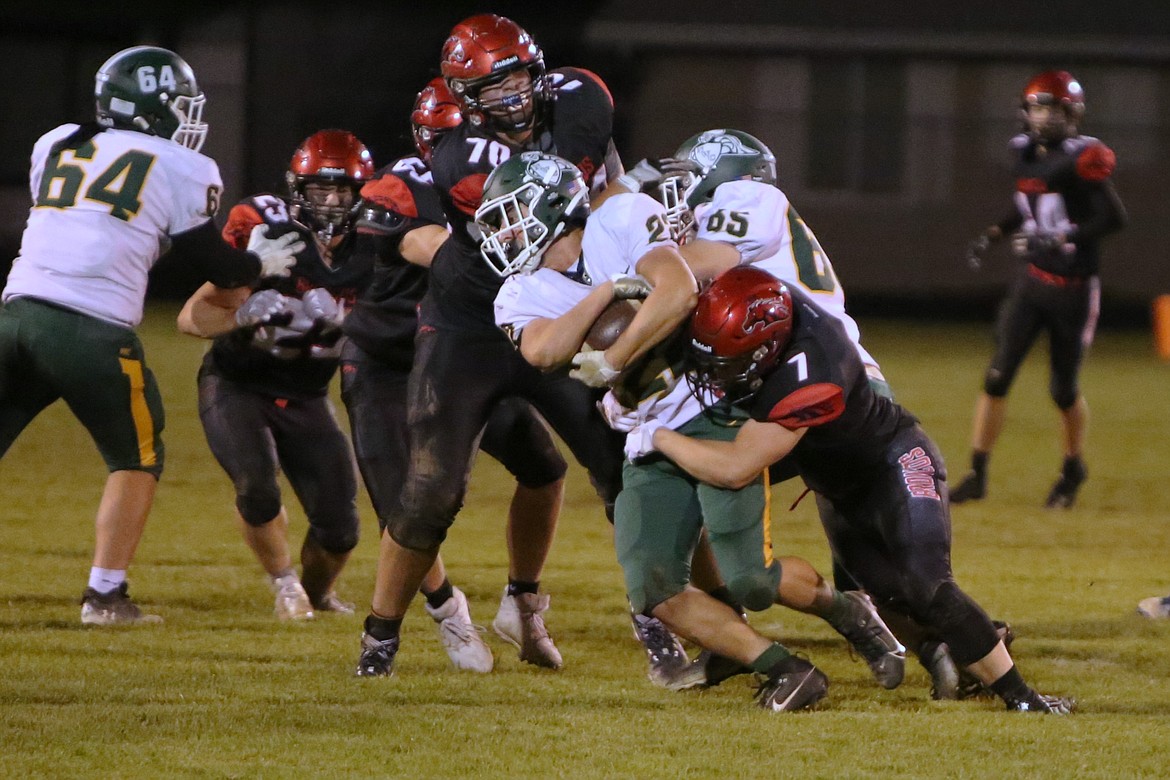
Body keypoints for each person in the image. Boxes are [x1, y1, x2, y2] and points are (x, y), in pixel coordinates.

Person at [481, 151, 906, 710]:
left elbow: (678, 288)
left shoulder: (620, 217)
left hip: (714, 405)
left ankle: (850, 615)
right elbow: (543, 350)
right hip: (645, 428)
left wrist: (613, 360)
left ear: (553, 203)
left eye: (511, 215)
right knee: (654, 586)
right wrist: (608, 293)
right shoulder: (517, 292)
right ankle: (783, 669)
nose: (505, 233)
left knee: (752, 578)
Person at [357, 12, 676, 680]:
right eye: (494, 86)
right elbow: (545, 217)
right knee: (430, 487)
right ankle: (380, 640)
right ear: (465, 98)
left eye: (521, 76)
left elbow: (602, 187)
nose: (515, 94)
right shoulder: (456, 155)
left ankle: (656, 621)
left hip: (561, 303)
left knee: (627, 466)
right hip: (475, 320)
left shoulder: (582, 98)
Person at [649, 265, 1076, 714]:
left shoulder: (812, 371)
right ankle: (963, 654)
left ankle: (1024, 699)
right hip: (836, 483)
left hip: (894, 461)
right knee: (887, 594)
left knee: (927, 586)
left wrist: (656, 435)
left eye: (731, 363)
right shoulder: (769, 313)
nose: (718, 377)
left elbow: (737, 468)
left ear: (767, 350)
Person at [0, 45, 300, 625]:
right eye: (180, 105)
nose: (189, 119)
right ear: (153, 106)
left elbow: (90, 224)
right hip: (92, 330)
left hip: (14, 314)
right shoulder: (182, 166)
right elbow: (218, 268)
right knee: (137, 456)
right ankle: (105, 597)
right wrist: (256, 263)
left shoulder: (59, 142)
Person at [342, 78, 568, 672]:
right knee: (413, 503)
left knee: (544, 467)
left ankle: (522, 601)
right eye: (447, 139)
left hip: (464, 355)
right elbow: (427, 245)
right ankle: (443, 612)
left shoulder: (515, 177)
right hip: (390, 365)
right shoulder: (405, 183)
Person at [177, 129, 381, 620]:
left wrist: (351, 323)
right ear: (297, 190)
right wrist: (242, 314)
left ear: (363, 193)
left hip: (308, 393)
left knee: (341, 526)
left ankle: (316, 594)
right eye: (319, 190)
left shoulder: (377, 247)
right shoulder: (268, 232)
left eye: (343, 191)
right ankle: (283, 582)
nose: (331, 202)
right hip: (238, 382)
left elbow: (399, 328)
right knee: (257, 487)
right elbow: (190, 318)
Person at [951, 70, 1126, 509]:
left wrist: (1060, 237)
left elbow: (1113, 219)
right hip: (1032, 283)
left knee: (1062, 390)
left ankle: (1072, 468)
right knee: (996, 376)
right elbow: (1029, 202)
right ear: (1026, 111)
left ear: (1072, 114)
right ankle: (977, 472)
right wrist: (993, 233)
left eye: (1054, 108)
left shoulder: (1085, 158)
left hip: (1073, 288)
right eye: (1039, 106)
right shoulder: (1024, 153)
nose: (1045, 116)